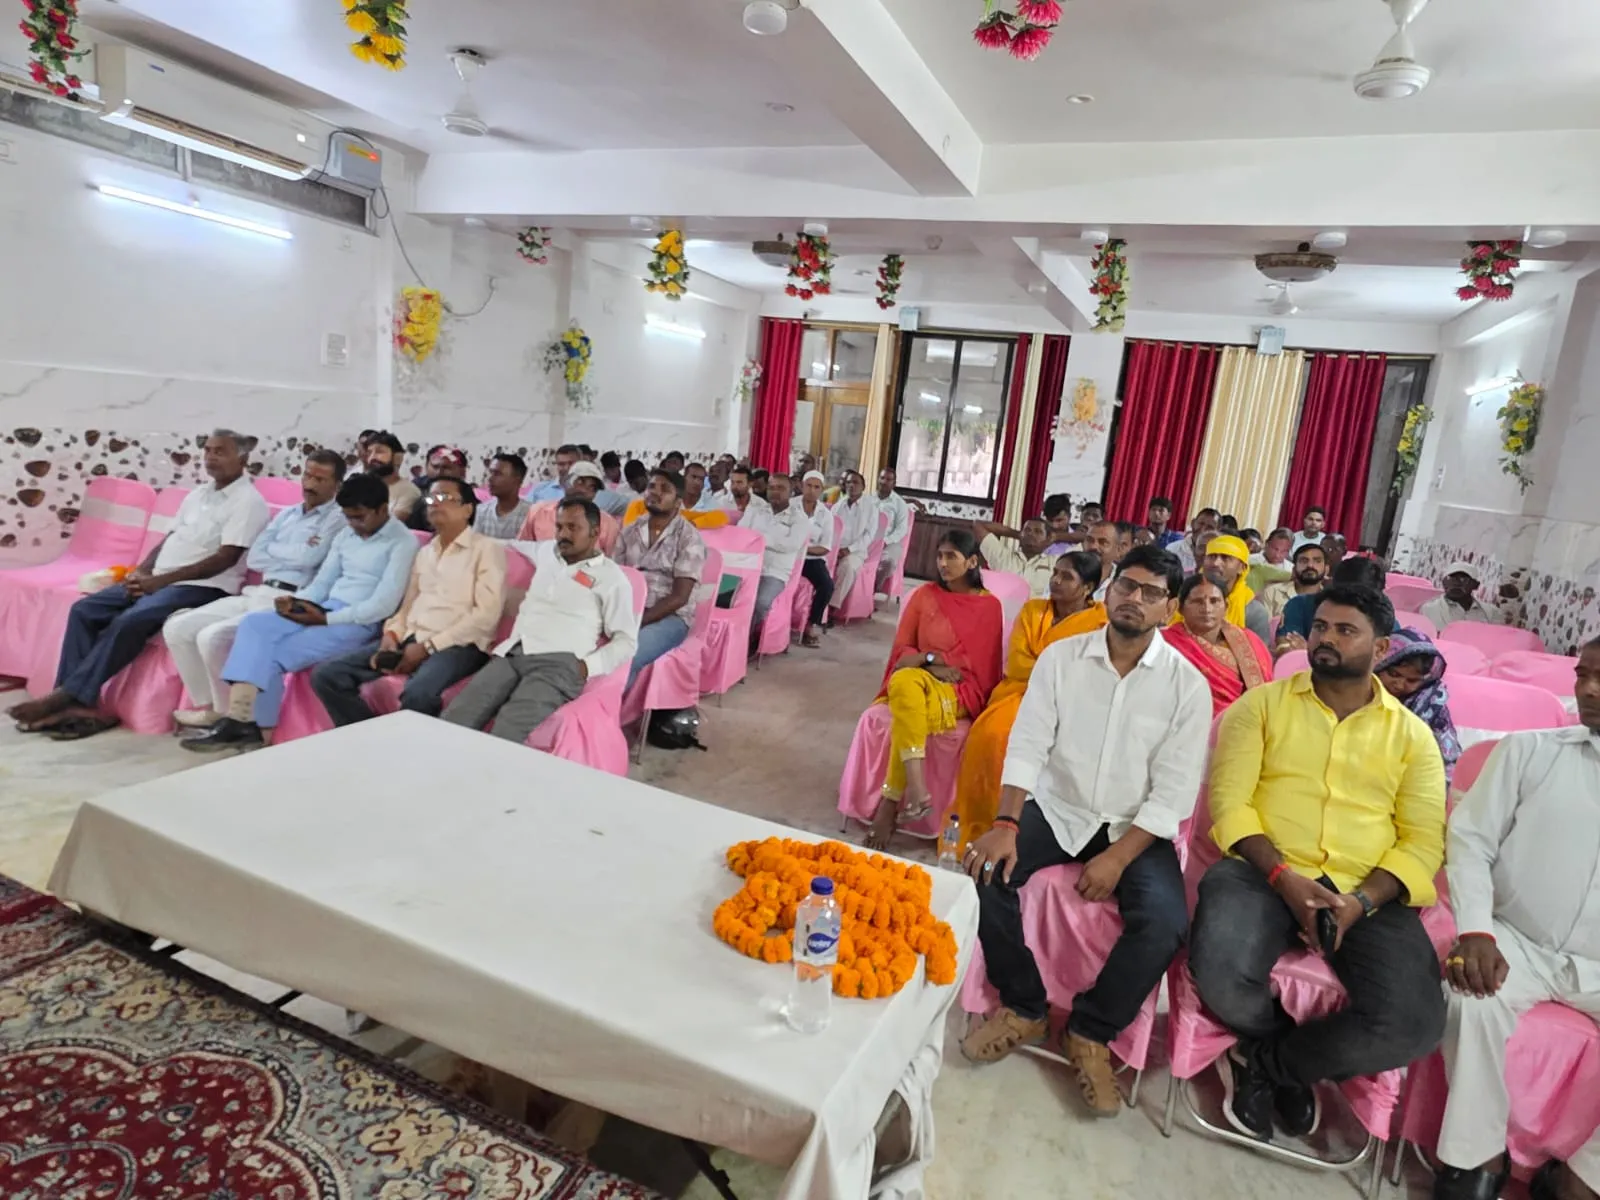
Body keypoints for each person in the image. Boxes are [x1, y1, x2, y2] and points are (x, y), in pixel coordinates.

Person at [1189, 583, 1447, 1143]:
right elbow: (1230, 807)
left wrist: (1360, 902)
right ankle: (1276, 1048)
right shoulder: (1259, 707)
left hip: (1367, 891)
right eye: (1321, 627)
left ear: (1381, 648)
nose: (1326, 638)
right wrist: (1283, 878)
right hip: (1263, 872)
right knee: (1220, 971)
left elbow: (1423, 842)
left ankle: (1270, 1064)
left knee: (1415, 1024)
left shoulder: (1414, 738)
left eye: (1345, 630)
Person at [959, 544, 1210, 1115]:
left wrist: (1118, 858)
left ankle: (1091, 1032)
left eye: (1151, 593)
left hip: (1133, 826)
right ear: (1109, 591)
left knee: (1166, 923)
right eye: (1126, 586)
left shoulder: (1186, 686)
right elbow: (1028, 744)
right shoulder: (1061, 658)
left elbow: (1172, 793)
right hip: (1059, 807)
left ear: (1169, 609)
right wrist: (1006, 822)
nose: (1134, 599)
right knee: (984, 870)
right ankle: (1024, 1006)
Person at [1428, 641, 1600, 1200]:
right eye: (1583, 675)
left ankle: (1583, 1178)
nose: (1588, 689)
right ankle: (1478, 1158)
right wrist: (1476, 930)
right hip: (1517, 939)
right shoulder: (1529, 752)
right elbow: (1470, 841)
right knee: (1471, 996)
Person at [7, 429, 271, 739]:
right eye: (208, 450)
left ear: (243, 459)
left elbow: (226, 558)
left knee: (131, 620)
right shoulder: (198, 495)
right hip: (161, 579)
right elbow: (170, 539)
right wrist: (143, 573)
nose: (211, 457)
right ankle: (78, 707)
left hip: (204, 586)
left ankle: (66, 696)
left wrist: (159, 582)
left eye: (220, 451)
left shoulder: (248, 502)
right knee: (84, 609)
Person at [182, 472, 418, 752]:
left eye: (360, 517)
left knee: (271, 654)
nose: (354, 525)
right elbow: (321, 585)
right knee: (254, 624)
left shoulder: (403, 542)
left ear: (382, 509)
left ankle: (257, 730)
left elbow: (383, 605)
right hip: (325, 608)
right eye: (348, 518)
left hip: (359, 622)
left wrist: (326, 618)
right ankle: (240, 720)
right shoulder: (346, 534)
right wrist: (296, 603)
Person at [166, 450, 348, 729]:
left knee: (211, 637)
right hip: (258, 591)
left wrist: (277, 550)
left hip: (291, 598)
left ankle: (233, 717)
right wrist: (293, 552)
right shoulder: (287, 514)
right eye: (307, 475)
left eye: (320, 479)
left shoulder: (337, 519)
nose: (310, 484)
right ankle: (212, 707)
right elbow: (254, 558)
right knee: (177, 628)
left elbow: (309, 558)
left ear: (337, 485)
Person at [441, 498, 638, 746]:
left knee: (505, 734)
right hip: (514, 653)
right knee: (455, 718)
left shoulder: (611, 578)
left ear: (595, 532)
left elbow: (626, 641)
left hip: (557, 665)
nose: (563, 535)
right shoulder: (547, 552)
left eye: (573, 528)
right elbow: (507, 544)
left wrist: (586, 667)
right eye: (560, 527)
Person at [309, 478, 505, 727]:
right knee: (327, 676)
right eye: (431, 498)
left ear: (468, 509)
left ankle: (407, 749)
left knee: (418, 694)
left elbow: (486, 616)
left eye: (444, 497)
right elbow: (407, 605)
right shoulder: (425, 552)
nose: (434, 504)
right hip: (412, 637)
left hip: (460, 645)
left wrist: (428, 647)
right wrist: (392, 634)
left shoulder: (486, 550)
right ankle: (369, 737)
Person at [954, 551, 1107, 848]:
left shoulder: (1100, 623)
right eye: (1055, 573)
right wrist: (1053, 670)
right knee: (991, 736)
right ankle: (979, 827)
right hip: (1016, 692)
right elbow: (1017, 663)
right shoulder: (1033, 610)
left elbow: (1084, 673)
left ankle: (1018, 835)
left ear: (1087, 588)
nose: (1056, 580)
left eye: (1067, 577)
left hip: (1066, 701)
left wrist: (1052, 673)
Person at [862, 529, 1004, 851]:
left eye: (951, 556)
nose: (942, 563)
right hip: (920, 676)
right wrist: (932, 661)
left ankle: (891, 800)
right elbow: (902, 655)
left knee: (908, 702)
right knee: (903, 682)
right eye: (939, 555)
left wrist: (931, 664)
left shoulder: (989, 607)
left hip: (961, 689)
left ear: (972, 562)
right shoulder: (924, 595)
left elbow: (978, 667)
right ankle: (916, 788)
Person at [615, 469, 707, 688]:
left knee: (627, 654)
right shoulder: (630, 531)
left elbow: (680, 597)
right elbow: (614, 577)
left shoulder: (689, 537)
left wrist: (638, 621)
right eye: (651, 487)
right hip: (630, 610)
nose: (655, 493)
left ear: (678, 502)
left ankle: (609, 707)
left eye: (664, 489)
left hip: (669, 617)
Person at [1163, 572, 1273, 716]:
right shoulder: (1168, 643)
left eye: (1214, 601)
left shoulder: (1250, 639)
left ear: (1226, 606)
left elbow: (1268, 692)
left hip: (1256, 719)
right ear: (1180, 608)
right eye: (1197, 601)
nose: (1207, 609)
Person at [1376, 628, 1462, 784]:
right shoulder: (1359, 692)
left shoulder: (1432, 705)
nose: (1399, 685)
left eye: (1411, 681)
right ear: (1380, 664)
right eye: (1394, 674)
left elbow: (1447, 761)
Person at [1277, 553, 1386, 651]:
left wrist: (1310, 652)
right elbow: (1286, 649)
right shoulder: (1300, 604)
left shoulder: (1383, 617)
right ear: (1332, 585)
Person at [745, 473, 807, 634]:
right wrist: (766, 540)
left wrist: (760, 538)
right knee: (723, 596)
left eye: (781, 488)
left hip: (774, 573)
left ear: (791, 492)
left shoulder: (799, 518)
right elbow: (741, 534)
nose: (775, 492)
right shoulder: (755, 510)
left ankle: (748, 638)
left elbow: (791, 544)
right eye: (771, 488)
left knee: (760, 603)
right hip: (746, 567)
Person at [520, 462, 622, 553]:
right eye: (580, 482)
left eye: (592, 487)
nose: (584, 490)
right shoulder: (538, 512)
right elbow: (523, 550)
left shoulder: (607, 524)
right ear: (566, 482)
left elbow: (613, 561)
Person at [1199, 533, 1273, 644]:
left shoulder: (1253, 611)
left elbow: (1258, 653)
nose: (1216, 563)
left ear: (1242, 568)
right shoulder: (1187, 599)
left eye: (1225, 558)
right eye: (1212, 556)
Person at [829, 470, 880, 613]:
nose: (851, 485)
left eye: (855, 482)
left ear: (863, 487)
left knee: (848, 567)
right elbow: (830, 530)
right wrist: (834, 550)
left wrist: (849, 550)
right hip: (835, 549)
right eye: (848, 482)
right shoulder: (838, 506)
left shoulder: (871, 508)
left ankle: (832, 607)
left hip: (856, 552)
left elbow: (868, 535)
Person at [797, 470, 835, 648]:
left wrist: (803, 550)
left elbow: (825, 547)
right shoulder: (790, 506)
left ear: (821, 490)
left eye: (816, 487)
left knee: (827, 586)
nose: (812, 490)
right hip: (788, 556)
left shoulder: (826, 515)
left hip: (811, 559)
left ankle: (810, 625)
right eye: (808, 486)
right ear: (801, 486)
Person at [974, 516, 1055, 598]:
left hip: (1037, 606)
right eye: (1027, 530)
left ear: (1048, 539)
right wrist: (1018, 534)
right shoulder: (1002, 556)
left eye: (1038, 531)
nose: (1031, 534)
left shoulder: (1054, 562)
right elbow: (978, 525)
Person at [1421, 561, 1506, 631]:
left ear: (1475, 585)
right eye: (1451, 578)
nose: (1456, 583)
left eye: (1463, 579)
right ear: (1444, 582)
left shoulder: (1491, 613)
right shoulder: (1429, 610)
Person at [473, 453, 533, 539]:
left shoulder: (531, 513)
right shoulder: (482, 510)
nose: (490, 479)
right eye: (491, 473)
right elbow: (475, 544)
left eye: (497, 474)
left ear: (517, 480)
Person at [365, 432, 421, 521]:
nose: (372, 458)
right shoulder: (363, 487)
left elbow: (388, 524)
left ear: (397, 457)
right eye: (369, 453)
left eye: (379, 452)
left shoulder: (409, 490)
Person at [873, 468, 913, 591]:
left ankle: (873, 589)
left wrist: (885, 541)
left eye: (888, 479)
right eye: (882, 478)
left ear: (894, 483)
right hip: (869, 540)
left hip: (890, 542)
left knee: (888, 562)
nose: (884, 482)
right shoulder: (868, 499)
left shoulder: (899, 503)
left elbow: (901, 529)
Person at [1248, 529, 1298, 616]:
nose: (1277, 555)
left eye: (1284, 551)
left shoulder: (1291, 570)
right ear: (1266, 544)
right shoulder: (1249, 561)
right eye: (1275, 549)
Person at [1083, 520, 1133, 602]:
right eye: (1090, 540)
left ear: (1118, 550)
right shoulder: (1068, 571)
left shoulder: (1123, 582)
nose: (1093, 546)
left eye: (1103, 542)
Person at [1173, 507, 1220, 572]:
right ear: (1193, 523)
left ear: (1218, 531)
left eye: (1210, 527)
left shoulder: (1221, 557)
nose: (1203, 530)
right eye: (1201, 523)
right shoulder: (1174, 548)